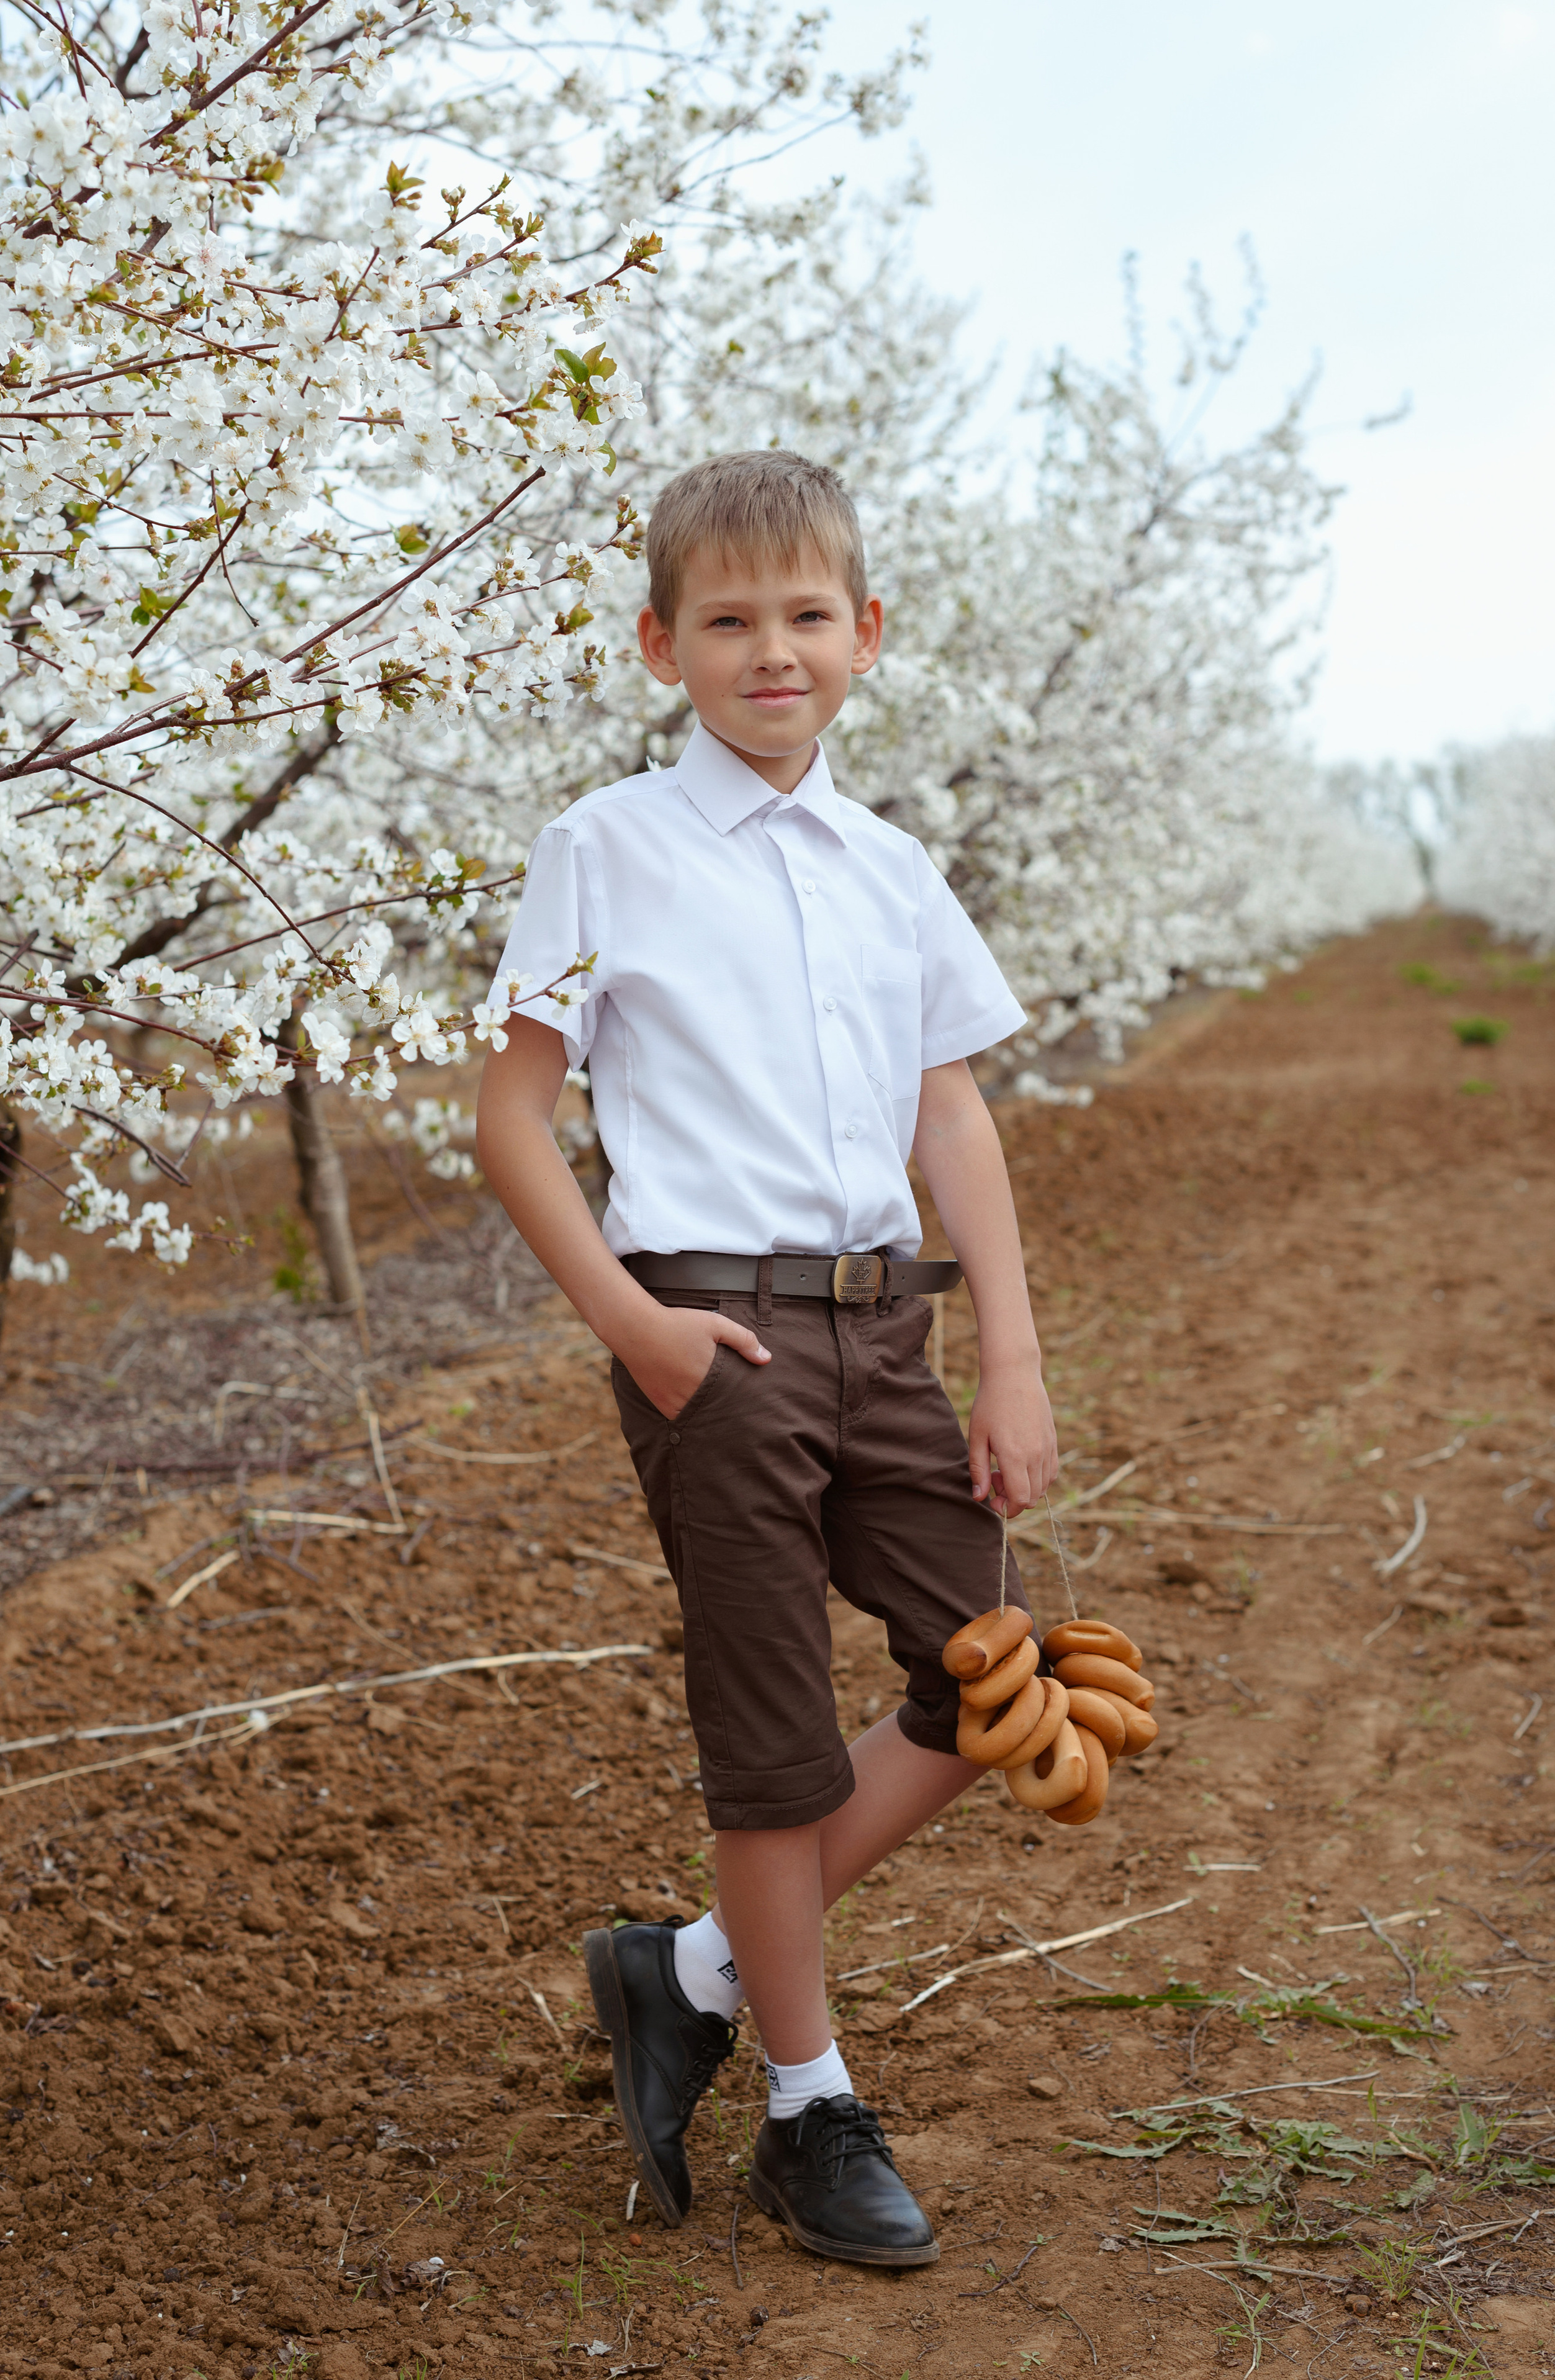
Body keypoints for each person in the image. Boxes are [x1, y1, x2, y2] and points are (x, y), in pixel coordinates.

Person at [475, 449, 1060, 2268]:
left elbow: (947, 1111)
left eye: (807, 615)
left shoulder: (892, 869)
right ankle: (809, 2107)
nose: (772, 650)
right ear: (664, 645)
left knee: (999, 1678)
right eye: (728, 620)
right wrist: (637, 1327)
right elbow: (509, 1116)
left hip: (886, 1323)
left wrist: (1012, 1359)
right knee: (775, 1747)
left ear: (865, 635)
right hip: (707, 1329)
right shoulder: (606, 847)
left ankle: (694, 1970)